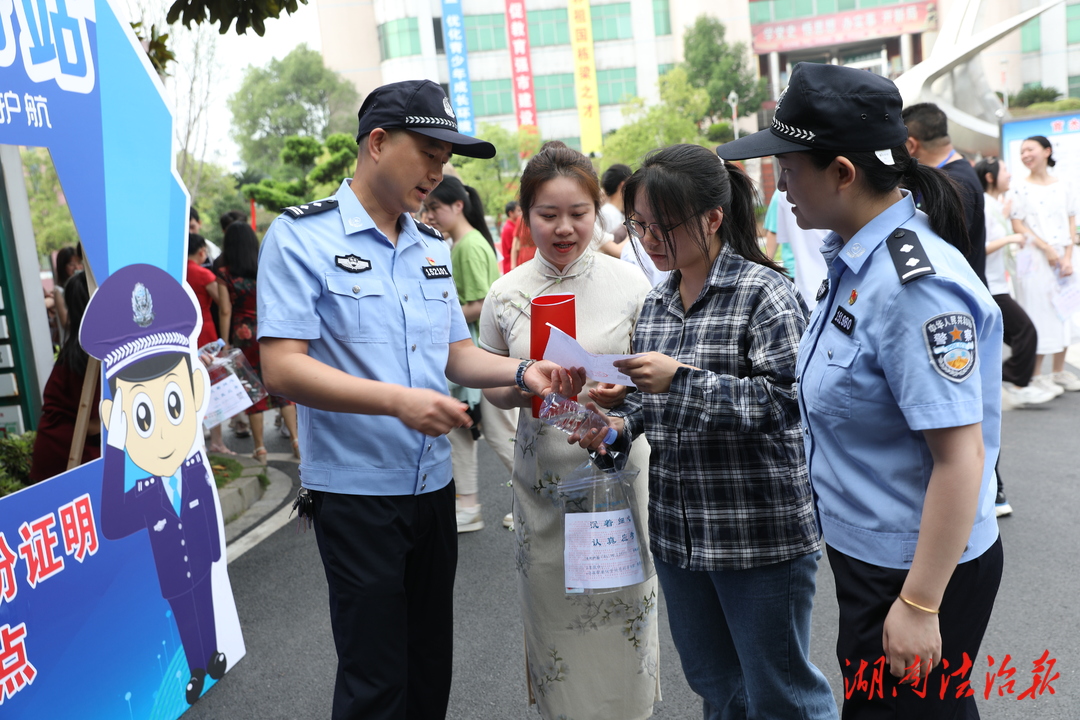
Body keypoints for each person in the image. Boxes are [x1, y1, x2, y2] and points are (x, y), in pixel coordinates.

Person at [256, 79, 574, 720]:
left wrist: (522, 371)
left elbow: (455, 354)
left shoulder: (432, 247)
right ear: (377, 142)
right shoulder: (301, 238)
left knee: (429, 668)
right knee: (375, 679)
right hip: (355, 495)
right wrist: (398, 402)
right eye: (428, 151)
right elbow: (282, 368)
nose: (439, 171)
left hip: (430, 491)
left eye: (446, 157)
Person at [717, 62, 1004, 719]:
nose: (780, 185)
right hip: (875, 553)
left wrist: (920, 603)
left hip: (914, 566)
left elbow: (961, 458)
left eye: (788, 168)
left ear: (842, 173)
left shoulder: (912, 288)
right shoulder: (855, 260)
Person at [577, 144, 837, 720]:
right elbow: (653, 407)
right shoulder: (658, 303)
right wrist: (614, 429)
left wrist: (682, 381)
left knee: (782, 694)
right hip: (679, 534)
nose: (647, 238)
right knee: (716, 687)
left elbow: (789, 403)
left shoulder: (764, 293)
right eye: (638, 224)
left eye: (660, 225)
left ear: (713, 218)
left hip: (757, 532)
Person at [479, 141, 660, 720]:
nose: (564, 228)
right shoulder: (506, 294)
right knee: (555, 622)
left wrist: (620, 394)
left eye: (578, 213)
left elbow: (658, 379)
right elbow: (494, 387)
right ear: (525, 214)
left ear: (597, 212)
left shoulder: (634, 285)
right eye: (548, 214)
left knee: (624, 616)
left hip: (619, 480)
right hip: (545, 492)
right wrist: (526, 381)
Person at [82, 263, 230, 706]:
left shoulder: (192, 469)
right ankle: (197, 667)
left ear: (194, 395)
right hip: (171, 569)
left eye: (174, 402)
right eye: (143, 415)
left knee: (204, 600)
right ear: (119, 421)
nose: (164, 432)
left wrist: (218, 551)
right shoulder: (141, 491)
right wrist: (117, 447)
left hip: (201, 557)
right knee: (185, 613)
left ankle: (213, 654)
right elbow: (111, 521)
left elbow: (203, 508)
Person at [422, 175, 517, 532]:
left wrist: (432, 315)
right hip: (468, 360)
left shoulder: (467, 246)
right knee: (459, 433)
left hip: (478, 359)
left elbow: (479, 304)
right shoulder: (462, 243)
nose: (430, 215)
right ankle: (468, 507)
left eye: (435, 207)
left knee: (499, 434)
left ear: (458, 205)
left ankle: (539, 498)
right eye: (427, 208)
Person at [215, 221, 300, 462]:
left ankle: (260, 448)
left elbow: (224, 310)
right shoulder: (265, 263)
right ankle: (296, 441)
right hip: (269, 330)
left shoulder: (224, 272)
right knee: (282, 389)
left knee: (252, 390)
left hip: (244, 335)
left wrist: (225, 343)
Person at [1009, 135, 1080, 393]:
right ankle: (1037, 375)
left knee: (1066, 310)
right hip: (1036, 258)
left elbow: (1072, 220)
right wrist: (1047, 249)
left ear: (1046, 151)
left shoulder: (1065, 184)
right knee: (1037, 312)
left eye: (1030, 149)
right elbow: (1018, 223)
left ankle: (1059, 371)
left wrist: (1068, 254)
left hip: (1065, 256)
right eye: (1022, 151)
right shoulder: (1018, 187)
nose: (1025, 155)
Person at [903, 102, 987, 286]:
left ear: (910, 145)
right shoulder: (955, 174)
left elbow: (939, 252)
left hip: (955, 296)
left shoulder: (952, 183)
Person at [29, 271, 100, 482]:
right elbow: (92, 426)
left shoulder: (78, 349)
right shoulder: (92, 356)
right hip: (69, 461)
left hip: (57, 457)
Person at [187, 233, 231, 455]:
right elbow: (223, 303)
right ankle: (217, 441)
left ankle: (193, 444)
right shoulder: (203, 274)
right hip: (205, 333)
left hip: (184, 336)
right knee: (212, 388)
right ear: (202, 251)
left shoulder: (173, 273)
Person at [763, 190, 829, 309]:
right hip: (797, 274)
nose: (782, 183)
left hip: (807, 281)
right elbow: (774, 232)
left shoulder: (781, 193)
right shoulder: (781, 194)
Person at [52, 244, 83, 343]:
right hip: (72, 345)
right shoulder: (59, 290)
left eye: (79, 262)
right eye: (71, 264)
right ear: (62, 267)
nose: (77, 268)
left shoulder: (84, 286)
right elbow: (65, 322)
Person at [500, 200, 521, 274]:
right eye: (518, 211)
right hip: (511, 266)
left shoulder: (515, 226)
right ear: (511, 213)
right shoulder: (508, 228)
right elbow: (513, 248)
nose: (520, 213)